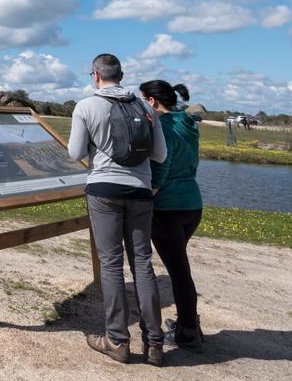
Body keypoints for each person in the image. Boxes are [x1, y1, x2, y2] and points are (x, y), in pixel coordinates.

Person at [68, 54, 168, 366]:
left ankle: (117, 340)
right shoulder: (146, 108)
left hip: (104, 191)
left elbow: (75, 152)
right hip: (140, 190)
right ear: (121, 75)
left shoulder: (86, 106)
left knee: (111, 264)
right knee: (143, 263)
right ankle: (155, 343)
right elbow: (161, 155)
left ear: (95, 75)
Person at [142, 80, 204, 352]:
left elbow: (161, 168)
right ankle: (188, 323)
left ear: (152, 101)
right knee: (180, 267)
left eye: (143, 100)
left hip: (168, 208)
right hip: (192, 204)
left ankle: (188, 331)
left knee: (179, 272)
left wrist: (147, 196)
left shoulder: (163, 127)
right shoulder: (187, 123)